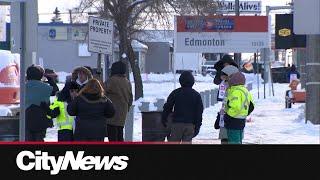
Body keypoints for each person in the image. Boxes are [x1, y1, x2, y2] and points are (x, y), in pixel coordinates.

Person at [161, 71, 203, 143]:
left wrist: (164, 119)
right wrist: (197, 126)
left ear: (181, 81)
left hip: (176, 124)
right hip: (190, 125)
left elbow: (168, 107)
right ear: (192, 81)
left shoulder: (175, 93)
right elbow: (199, 112)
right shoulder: (196, 95)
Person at [25, 65, 56, 141]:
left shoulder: (23, 87)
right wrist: (49, 78)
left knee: (28, 140)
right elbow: (55, 90)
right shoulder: (46, 87)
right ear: (40, 75)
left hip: (26, 118)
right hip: (41, 118)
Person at [105, 61, 133, 141]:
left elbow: (101, 91)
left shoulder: (112, 80)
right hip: (122, 114)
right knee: (120, 135)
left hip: (112, 114)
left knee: (112, 136)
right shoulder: (127, 82)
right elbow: (130, 98)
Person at [224, 72, 254, 144]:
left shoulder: (235, 91)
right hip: (241, 120)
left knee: (233, 141)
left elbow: (235, 107)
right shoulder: (245, 91)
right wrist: (244, 113)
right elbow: (252, 106)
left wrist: (228, 115)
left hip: (233, 120)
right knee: (238, 140)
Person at [214, 65, 240, 144]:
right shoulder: (224, 84)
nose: (222, 78)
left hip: (232, 115)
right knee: (225, 137)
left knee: (230, 138)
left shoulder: (235, 87)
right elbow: (220, 98)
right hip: (225, 114)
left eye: (223, 76)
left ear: (229, 76)